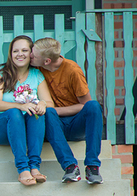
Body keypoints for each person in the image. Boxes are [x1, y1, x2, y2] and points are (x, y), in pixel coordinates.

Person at [0, 35, 53, 186]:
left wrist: (42, 103)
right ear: (10, 54)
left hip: (22, 130)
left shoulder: (36, 75)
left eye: (24, 50)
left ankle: (34, 167)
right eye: (15, 51)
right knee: (14, 112)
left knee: (36, 112)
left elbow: (49, 102)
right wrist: (20, 106)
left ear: (31, 53)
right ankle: (23, 169)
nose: (20, 54)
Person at [31, 37, 104, 184]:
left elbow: (85, 105)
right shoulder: (36, 68)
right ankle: (70, 167)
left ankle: (92, 166)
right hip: (53, 125)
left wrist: (56, 110)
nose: (30, 56)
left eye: (33, 55)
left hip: (75, 123)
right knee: (49, 112)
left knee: (94, 106)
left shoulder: (72, 70)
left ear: (47, 61)